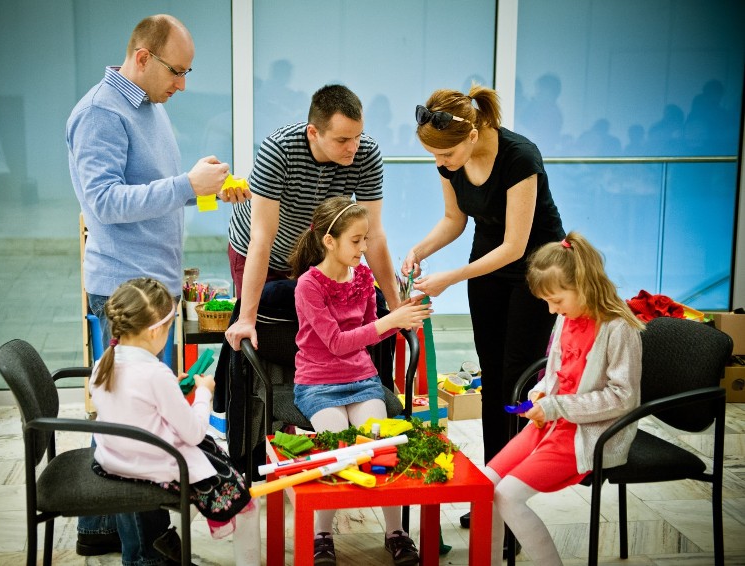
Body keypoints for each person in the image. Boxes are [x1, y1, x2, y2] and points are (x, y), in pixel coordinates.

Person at [66, 14, 247, 565]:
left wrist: (202, 190)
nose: (183, 84)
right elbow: (103, 204)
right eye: (177, 70)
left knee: (133, 419)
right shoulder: (101, 112)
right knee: (136, 434)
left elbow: (149, 190)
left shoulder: (148, 108)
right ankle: (144, 553)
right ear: (142, 57)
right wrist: (184, 185)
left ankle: (99, 526)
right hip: (126, 293)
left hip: (153, 287)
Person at [402, 85, 566, 538]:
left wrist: (450, 277)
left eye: (448, 155)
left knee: (518, 379)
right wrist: (420, 248)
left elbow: (516, 246)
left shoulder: (520, 158)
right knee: (493, 374)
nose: (442, 164)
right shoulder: (448, 156)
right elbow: (454, 220)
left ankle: (514, 498)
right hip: (488, 267)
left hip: (537, 270)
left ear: (473, 136)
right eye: (436, 157)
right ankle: (493, 489)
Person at [485, 231, 644, 565]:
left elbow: (623, 397)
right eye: (546, 301)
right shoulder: (565, 317)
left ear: (584, 284)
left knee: (507, 496)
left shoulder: (619, 327)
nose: (551, 309)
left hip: (592, 434)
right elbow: (557, 372)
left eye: (556, 300)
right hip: (555, 423)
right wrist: (540, 394)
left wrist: (555, 405)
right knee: (485, 484)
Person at [289, 197, 432, 566]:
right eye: (357, 240)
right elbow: (336, 343)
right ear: (329, 241)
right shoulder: (308, 286)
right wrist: (390, 320)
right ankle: (322, 535)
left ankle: (395, 533)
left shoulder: (365, 278)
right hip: (317, 383)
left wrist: (402, 321)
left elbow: (370, 334)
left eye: (366, 239)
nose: (365, 248)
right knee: (338, 450)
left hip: (361, 378)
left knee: (378, 443)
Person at [89, 278, 259, 565]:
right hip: (152, 464)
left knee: (205, 473)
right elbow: (193, 433)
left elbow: (134, 407)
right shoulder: (155, 374)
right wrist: (203, 394)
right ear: (155, 330)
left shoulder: (104, 363)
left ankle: (168, 543)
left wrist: (172, 389)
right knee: (244, 502)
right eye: (168, 329)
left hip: (114, 460)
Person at [224, 84, 400, 353]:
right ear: (313, 133)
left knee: (318, 334)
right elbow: (261, 238)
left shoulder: (366, 153)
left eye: (358, 136)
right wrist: (246, 319)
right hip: (260, 251)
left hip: (313, 252)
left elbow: (373, 235)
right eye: (342, 140)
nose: (353, 148)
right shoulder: (279, 150)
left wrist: (396, 307)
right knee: (268, 334)